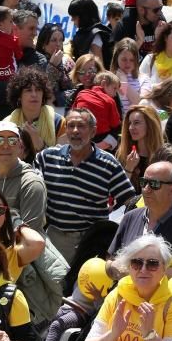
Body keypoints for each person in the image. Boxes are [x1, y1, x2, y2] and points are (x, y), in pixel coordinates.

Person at [35, 108, 136, 264]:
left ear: (93, 131)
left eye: (81, 126)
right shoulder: (46, 158)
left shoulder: (108, 164)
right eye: (71, 125)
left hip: (90, 242)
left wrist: (122, 237)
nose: (75, 131)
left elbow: (130, 201)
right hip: (54, 239)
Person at [109, 161, 172, 275]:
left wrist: (135, 273)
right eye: (144, 182)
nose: (146, 189)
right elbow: (111, 260)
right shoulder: (129, 217)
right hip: (124, 290)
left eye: (154, 184)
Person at [6, 68, 63, 155]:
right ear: (19, 96)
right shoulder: (7, 124)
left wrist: (39, 143)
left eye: (38, 90)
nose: (34, 94)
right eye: (28, 90)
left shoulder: (59, 122)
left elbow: (62, 161)